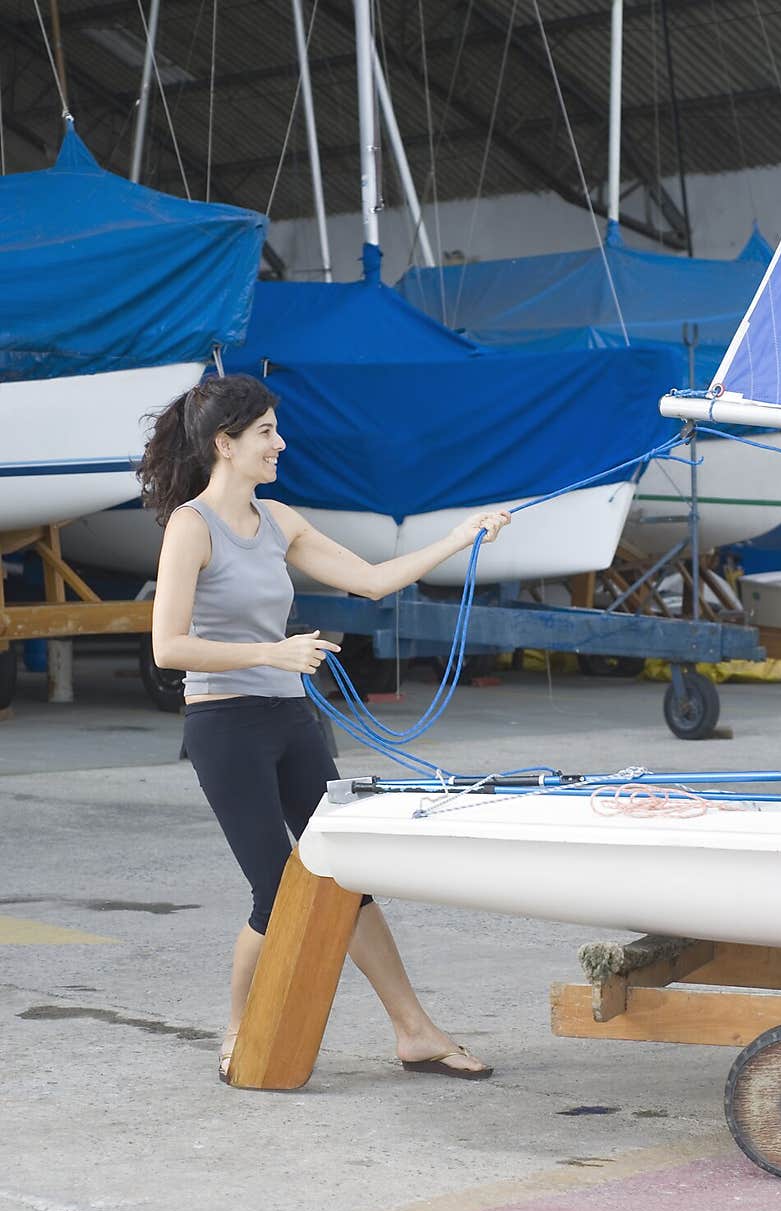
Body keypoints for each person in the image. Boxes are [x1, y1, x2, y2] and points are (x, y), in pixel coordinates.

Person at [139, 373, 511, 1084]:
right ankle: (240, 1029)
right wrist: (269, 651)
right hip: (224, 723)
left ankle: (414, 1032)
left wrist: (459, 538)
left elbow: (372, 579)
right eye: (266, 433)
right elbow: (167, 647)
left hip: (289, 717)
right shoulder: (192, 526)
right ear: (225, 444)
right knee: (276, 893)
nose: (281, 443)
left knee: (347, 876)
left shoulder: (280, 521)